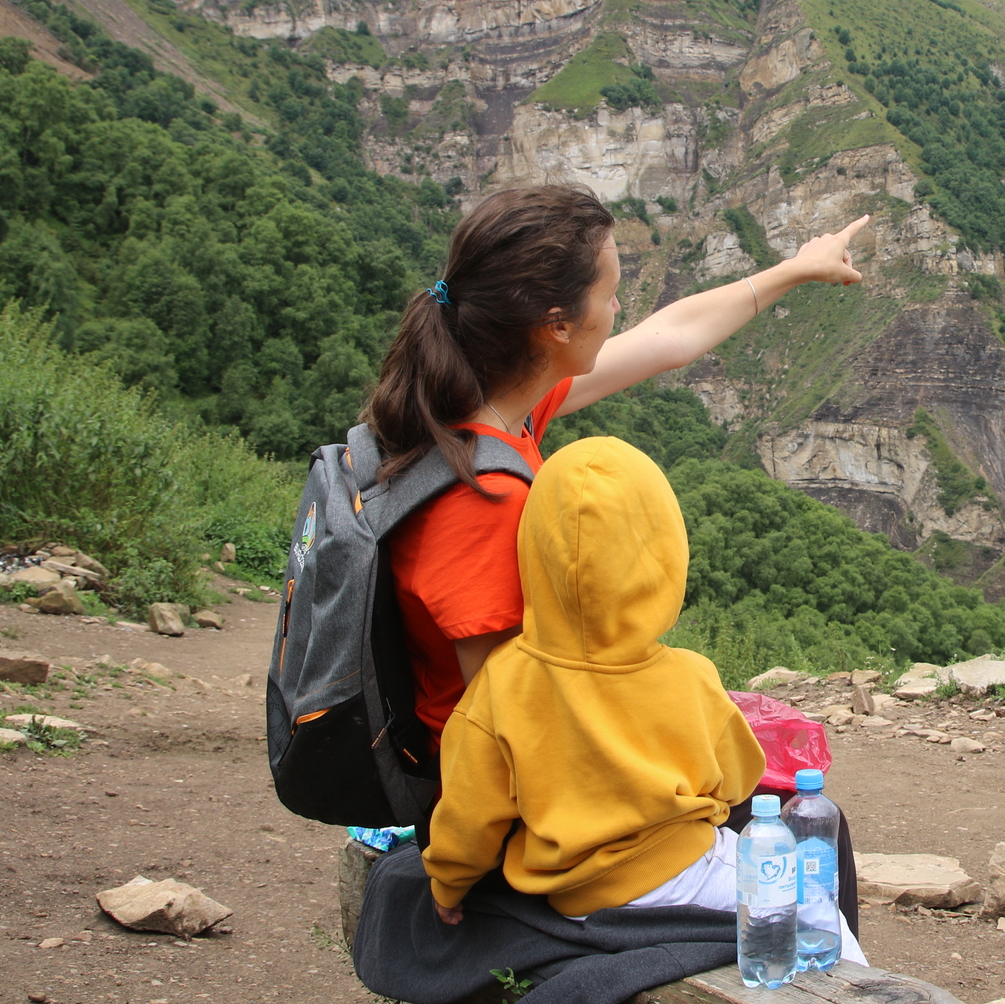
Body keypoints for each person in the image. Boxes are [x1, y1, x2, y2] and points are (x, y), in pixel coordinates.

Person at [363, 184, 868, 753]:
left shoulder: (492, 406)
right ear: (556, 326)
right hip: (488, 784)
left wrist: (796, 270)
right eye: (611, 296)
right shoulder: (482, 498)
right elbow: (502, 717)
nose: (620, 311)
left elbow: (669, 338)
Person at [420, 435, 764, 921]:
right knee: (818, 913)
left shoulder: (502, 681)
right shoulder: (689, 676)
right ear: (663, 554)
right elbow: (739, 777)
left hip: (575, 899)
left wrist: (448, 885)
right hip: (693, 872)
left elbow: (469, 810)